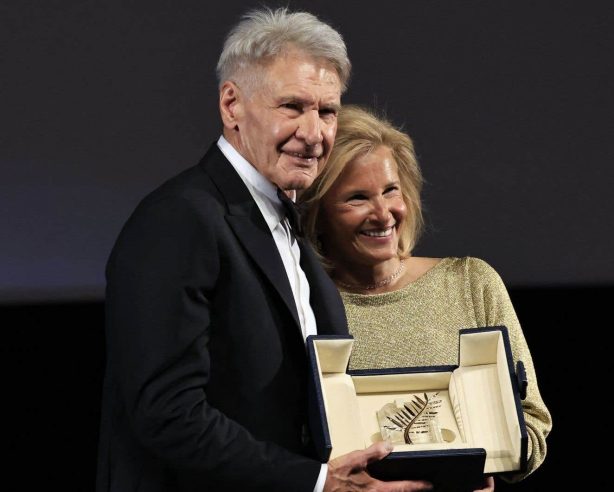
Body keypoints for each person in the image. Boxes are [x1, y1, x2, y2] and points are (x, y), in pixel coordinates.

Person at [96, 8, 433, 492]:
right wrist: (318, 482)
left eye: (327, 111)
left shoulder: (283, 217)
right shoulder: (180, 219)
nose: (315, 134)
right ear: (232, 105)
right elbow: (168, 413)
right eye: (292, 107)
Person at [298, 105, 553, 488]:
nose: (383, 214)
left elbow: (532, 424)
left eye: (390, 191)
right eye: (357, 198)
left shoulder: (470, 283)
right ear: (319, 213)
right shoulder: (303, 304)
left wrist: (486, 461)